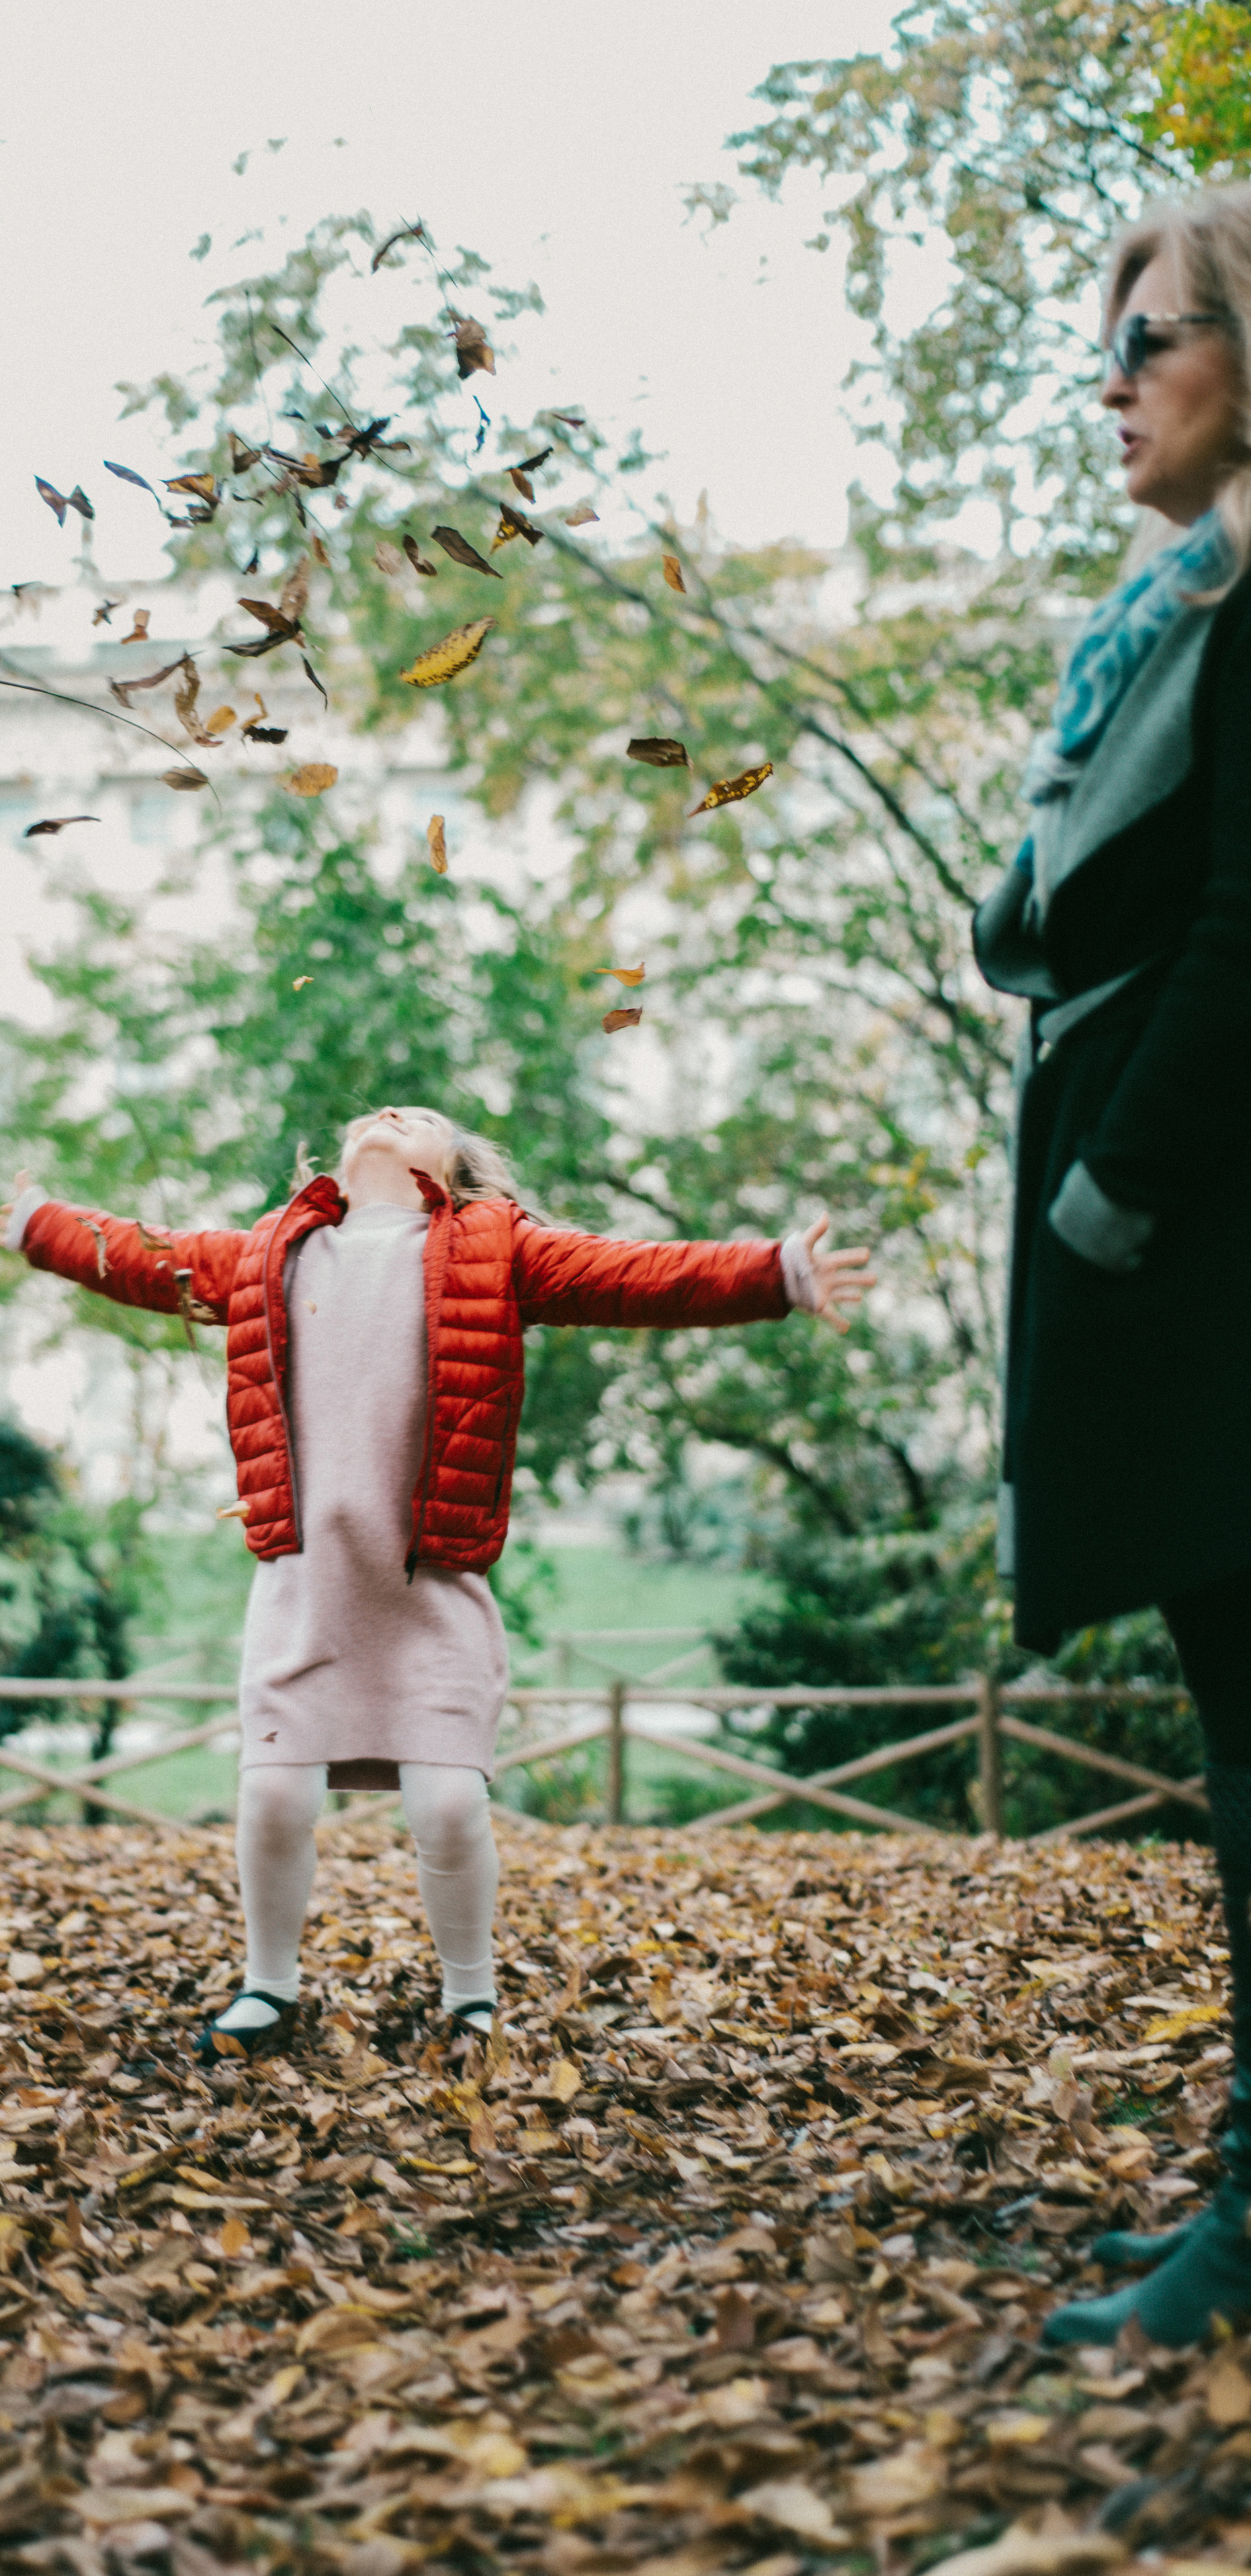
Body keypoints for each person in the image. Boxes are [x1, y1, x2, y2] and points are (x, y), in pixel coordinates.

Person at [0, 1107, 873, 2063]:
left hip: (430, 1589)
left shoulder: (496, 1249)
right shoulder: (270, 1251)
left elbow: (634, 1276)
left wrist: (776, 1273)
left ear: (454, 1169)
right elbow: (144, 1256)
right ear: (340, 1157)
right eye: (375, 1115)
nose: (390, 1115)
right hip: (306, 1588)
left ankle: (471, 1995)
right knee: (274, 1799)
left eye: (420, 1120)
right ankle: (268, 1985)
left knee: (447, 1805)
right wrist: (42, 1224)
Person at [971, 186, 1251, 2348]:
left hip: (1204, 1245)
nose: (1112, 380)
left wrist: (1119, 1192)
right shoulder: (1176, 616)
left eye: (1147, 337)